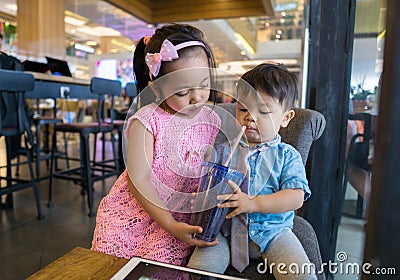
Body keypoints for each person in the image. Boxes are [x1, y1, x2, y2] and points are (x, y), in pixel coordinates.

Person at [91, 23, 221, 266]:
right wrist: (169, 224)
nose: (197, 97)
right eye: (183, 92)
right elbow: (138, 179)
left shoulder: (211, 119)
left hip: (183, 212)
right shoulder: (148, 120)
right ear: (157, 87)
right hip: (142, 211)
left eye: (204, 84)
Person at [187, 63, 317, 279]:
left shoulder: (287, 155)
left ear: (286, 118)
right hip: (226, 233)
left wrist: (254, 203)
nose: (250, 117)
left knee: (301, 276)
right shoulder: (223, 151)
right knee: (199, 270)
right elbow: (210, 186)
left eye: (263, 111)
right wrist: (203, 199)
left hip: (274, 234)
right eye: (243, 108)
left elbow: (296, 197)